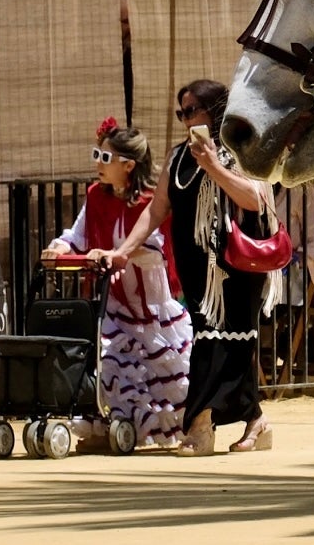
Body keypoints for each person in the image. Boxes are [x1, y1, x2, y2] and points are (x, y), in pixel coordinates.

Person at [111, 79, 274, 454]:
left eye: (191, 111)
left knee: (222, 341)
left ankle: (200, 424)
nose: (185, 119)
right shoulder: (177, 157)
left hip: (234, 264)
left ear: (213, 111)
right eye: (180, 113)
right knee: (216, 338)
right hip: (195, 263)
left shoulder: (240, 150)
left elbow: (256, 199)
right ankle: (255, 421)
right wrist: (124, 250)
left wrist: (215, 166)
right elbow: (157, 208)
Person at [48, 116, 191, 450]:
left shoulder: (151, 203)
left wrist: (116, 252)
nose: (99, 164)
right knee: (110, 360)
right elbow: (78, 234)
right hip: (113, 300)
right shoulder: (97, 195)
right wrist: (61, 246)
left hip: (150, 301)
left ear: (128, 165)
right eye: (96, 155)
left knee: (162, 368)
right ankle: (112, 426)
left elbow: (154, 246)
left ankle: (157, 428)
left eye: (106, 158)